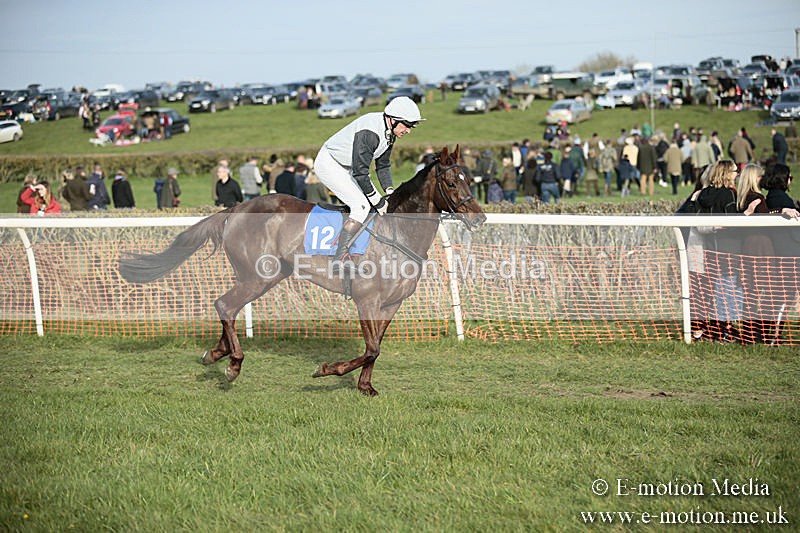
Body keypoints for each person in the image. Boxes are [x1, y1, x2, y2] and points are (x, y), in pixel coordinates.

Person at [315, 96, 424, 269]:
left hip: (348, 167)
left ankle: (359, 249)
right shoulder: (370, 133)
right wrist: (379, 201)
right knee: (361, 206)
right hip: (330, 164)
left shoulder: (389, 132)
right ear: (393, 120)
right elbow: (361, 173)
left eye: (412, 126)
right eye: (407, 125)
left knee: (370, 204)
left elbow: (383, 165)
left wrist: (389, 193)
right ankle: (339, 258)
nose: (409, 131)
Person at [760, 163, 800, 344]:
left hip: (784, 254)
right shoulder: (781, 200)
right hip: (789, 255)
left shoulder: (773, 198)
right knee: (783, 298)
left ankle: (773, 334)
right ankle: (774, 336)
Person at [735, 164, 774, 343]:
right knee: (762, 292)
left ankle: (749, 333)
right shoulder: (757, 198)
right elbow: (768, 221)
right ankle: (758, 333)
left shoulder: (740, 198)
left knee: (749, 293)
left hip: (747, 247)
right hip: (761, 247)